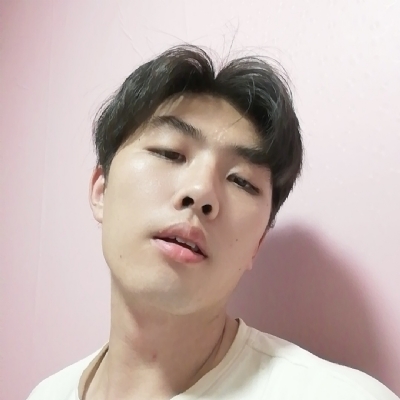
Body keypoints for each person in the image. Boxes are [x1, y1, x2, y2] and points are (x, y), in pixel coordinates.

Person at [27, 45, 398, 400]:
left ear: (257, 244)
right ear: (101, 190)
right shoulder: (46, 394)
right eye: (170, 153)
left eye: (241, 181)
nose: (201, 192)